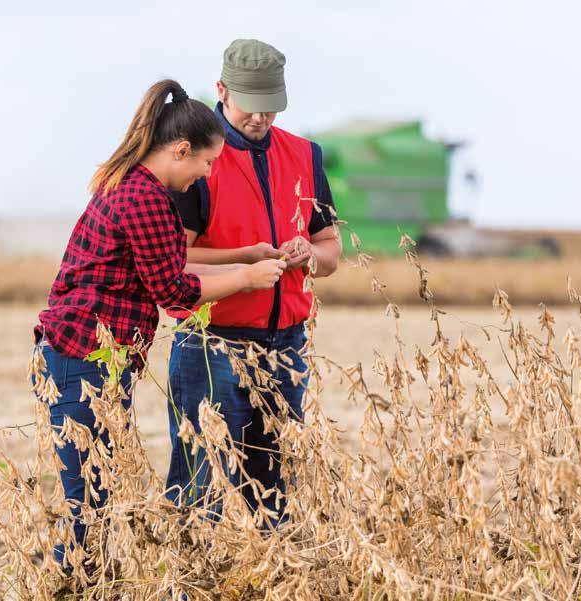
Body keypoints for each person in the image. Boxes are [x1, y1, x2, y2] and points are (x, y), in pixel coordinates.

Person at [30, 78, 286, 568]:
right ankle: (69, 585)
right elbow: (174, 293)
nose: (207, 175)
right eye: (207, 163)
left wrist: (245, 261)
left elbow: (171, 266)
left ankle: (85, 582)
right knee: (87, 504)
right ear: (181, 150)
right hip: (80, 362)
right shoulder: (144, 198)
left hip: (94, 361)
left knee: (96, 494)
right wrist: (249, 278)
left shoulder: (139, 186)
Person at [164, 39, 342, 525]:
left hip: (286, 345)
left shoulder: (307, 155)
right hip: (210, 343)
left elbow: (331, 251)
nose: (261, 119)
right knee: (201, 488)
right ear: (221, 90)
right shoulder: (197, 159)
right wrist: (245, 273)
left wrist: (310, 255)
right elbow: (175, 261)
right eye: (250, 106)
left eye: (271, 107)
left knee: (275, 491)